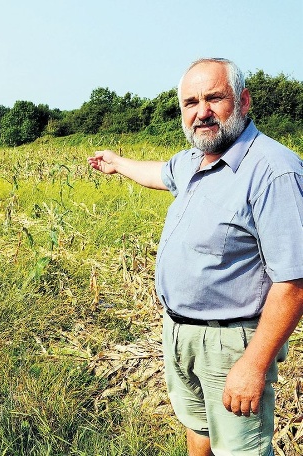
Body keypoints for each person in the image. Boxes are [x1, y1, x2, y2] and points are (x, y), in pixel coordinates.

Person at [88, 58, 303, 456]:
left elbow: (294, 282)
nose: (201, 111)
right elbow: (158, 173)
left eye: (214, 98)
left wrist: (253, 366)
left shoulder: (273, 171)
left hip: (231, 344)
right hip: (179, 332)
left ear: (243, 101)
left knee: (242, 450)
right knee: (198, 431)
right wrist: (117, 163)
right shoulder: (192, 161)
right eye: (191, 102)